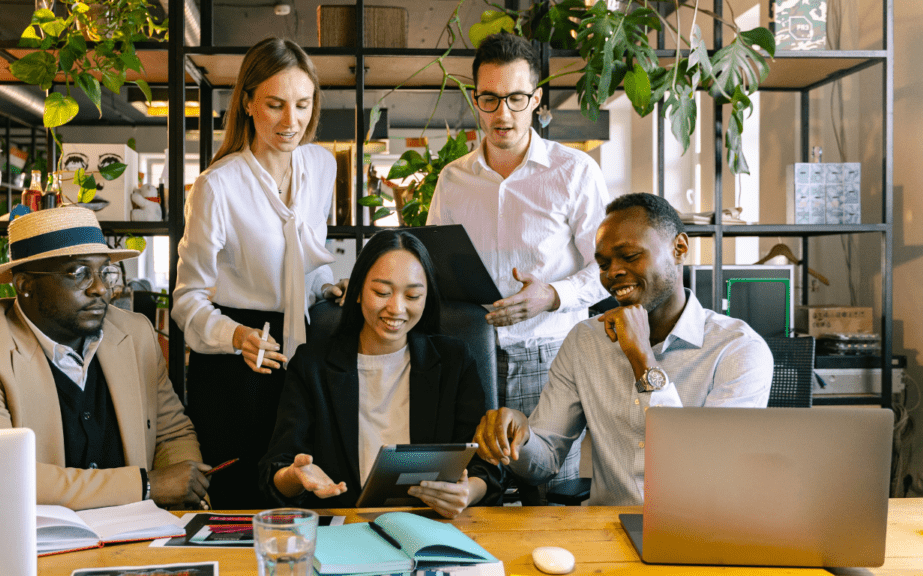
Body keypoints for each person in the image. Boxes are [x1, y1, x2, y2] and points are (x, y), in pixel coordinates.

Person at [473, 193, 774, 506]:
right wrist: (520, 439)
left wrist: (642, 358)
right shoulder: (585, 341)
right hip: (608, 533)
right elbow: (544, 463)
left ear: (679, 248)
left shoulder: (738, 349)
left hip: (700, 533)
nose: (612, 272)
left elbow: (705, 470)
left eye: (629, 256)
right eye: (603, 264)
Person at [0, 206, 210, 511]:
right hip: (40, 544)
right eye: (79, 273)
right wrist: (147, 487)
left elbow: (171, 433)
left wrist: (185, 497)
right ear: (25, 285)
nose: (101, 288)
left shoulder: (135, 333)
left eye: (105, 272)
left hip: (142, 533)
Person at [426, 32, 610, 499]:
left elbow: (607, 269)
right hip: (472, 356)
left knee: (550, 494)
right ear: (475, 99)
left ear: (536, 99)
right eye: (490, 99)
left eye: (515, 98)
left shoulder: (574, 171)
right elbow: (427, 264)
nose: (502, 113)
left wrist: (550, 294)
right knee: (470, 492)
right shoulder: (454, 179)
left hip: (552, 357)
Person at [172, 37, 346, 509]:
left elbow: (303, 266)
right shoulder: (218, 186)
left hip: (301, 356)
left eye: (303, 105)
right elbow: (186, 299)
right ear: (247, 102)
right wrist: (236, 336)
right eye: (275, 105)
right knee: (240, 501)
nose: (292, 122)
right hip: (235, 363)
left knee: (304, 487)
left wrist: (327, 287)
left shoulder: (323, 165)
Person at [258, 230, 503, 518]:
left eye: (413, 295)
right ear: (358, 290)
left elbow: (485, 463)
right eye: (382, 292)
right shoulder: (312, 366)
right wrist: (296, 476)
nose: (396, 308)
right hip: (345, 531)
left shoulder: (454, 361)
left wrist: (467, 491)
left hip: (431, 524)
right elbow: (276, 472)